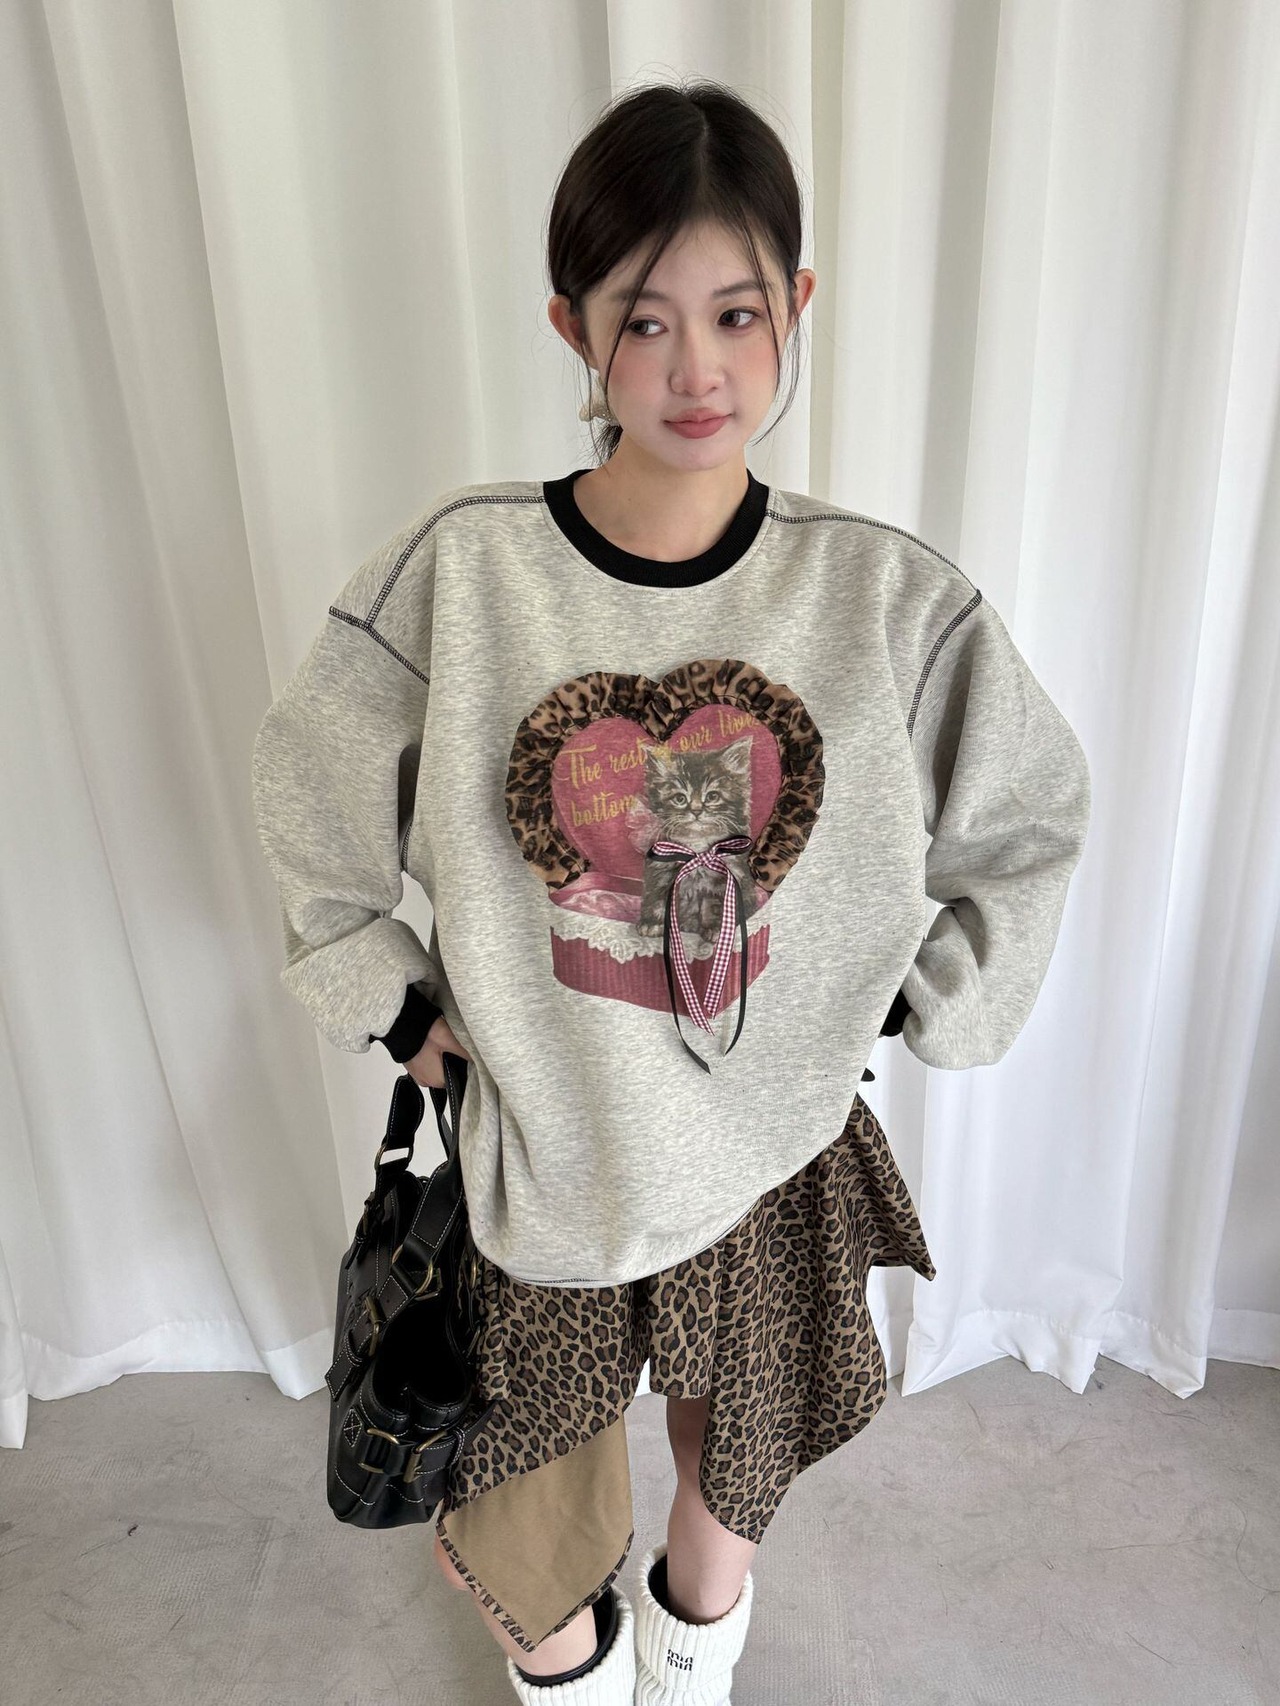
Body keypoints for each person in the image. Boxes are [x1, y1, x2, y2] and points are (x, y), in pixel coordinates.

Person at [251, 78, 1091, 1706]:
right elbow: (312, 797)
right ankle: (581, 1674)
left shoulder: (880, 592)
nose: (696, 368)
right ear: (571, 327)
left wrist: (909, 1000)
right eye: (644, 320)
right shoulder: (468, 569)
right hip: (543, 1144)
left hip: (768, 1139)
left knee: (731, 1480)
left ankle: (693, 1655)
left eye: (736, 312)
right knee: (528, 1541)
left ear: (798, 306)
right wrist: (398, 1007)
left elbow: (1031, 815)